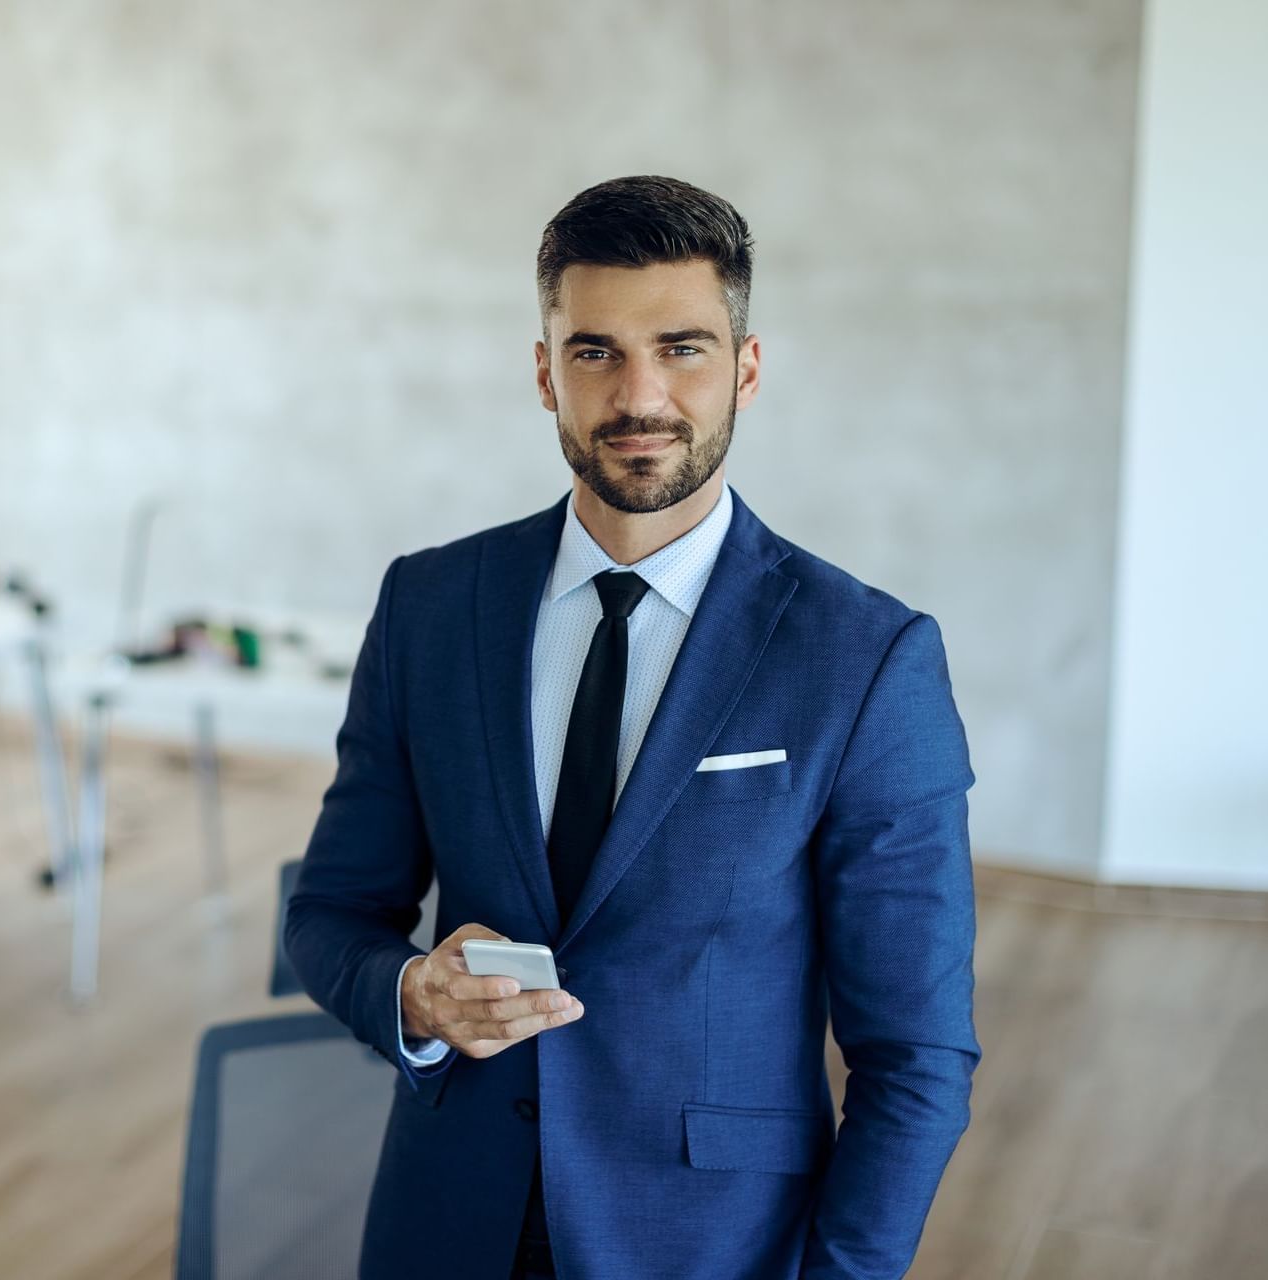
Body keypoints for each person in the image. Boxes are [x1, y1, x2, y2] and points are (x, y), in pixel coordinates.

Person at [285, 175, 980, 1280]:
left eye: (685, 347)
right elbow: (330, 912)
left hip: (709, 1238)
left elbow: (916, 1056)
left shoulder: (866, 657)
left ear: (748, 371)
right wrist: (412, 992)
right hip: (447, 1214)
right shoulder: (430, 604)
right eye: (596, 351)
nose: (639, 395)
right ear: (544, 371)